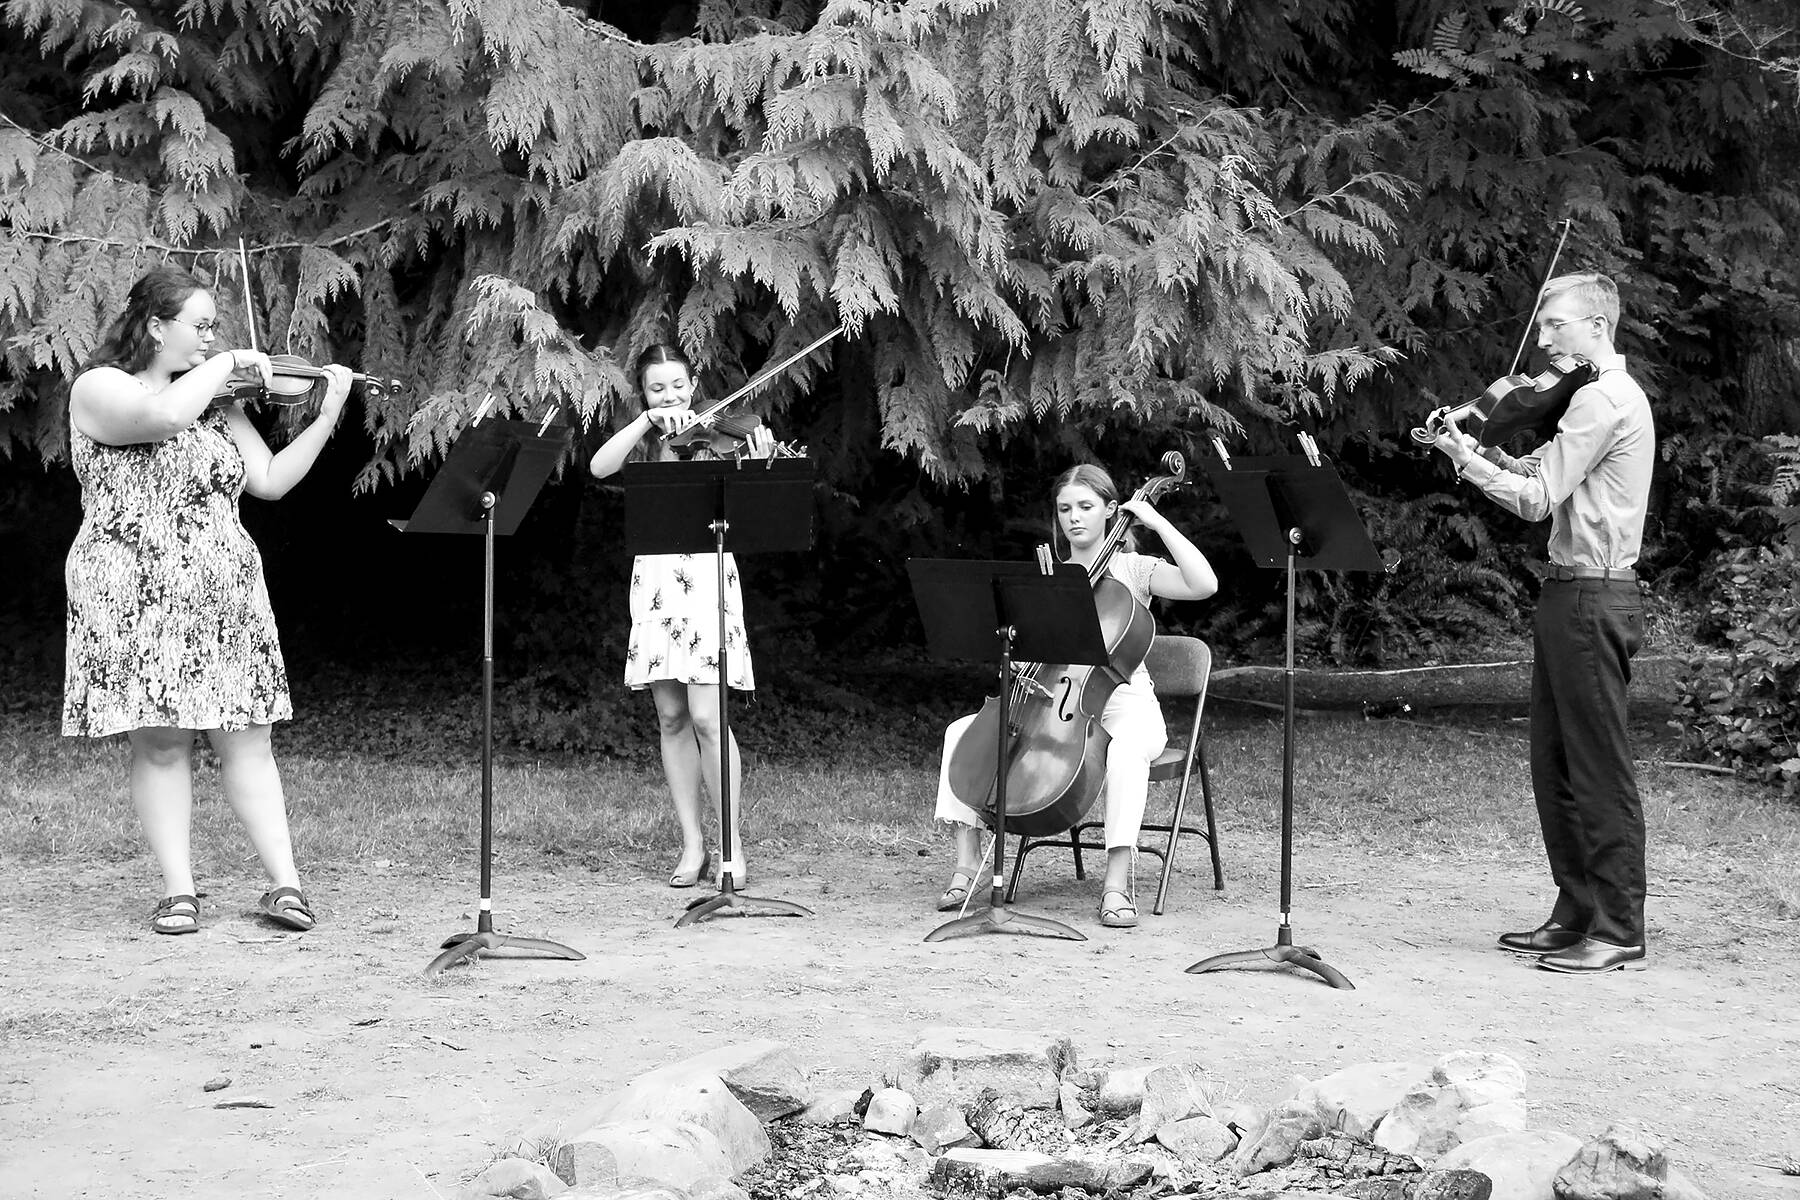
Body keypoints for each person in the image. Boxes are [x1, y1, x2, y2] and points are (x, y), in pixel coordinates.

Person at [63, 265, 353, 935]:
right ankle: (179, 891)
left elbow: (272, 482)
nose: (209, 338)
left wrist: (327, 413)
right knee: (162, 744)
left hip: (223, 587)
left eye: (213, 328)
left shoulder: (218, 403)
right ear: (154, 326)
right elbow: (161, 415)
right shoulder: (101, 389)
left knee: (248, 739)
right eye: (198, 326)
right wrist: (224, 365)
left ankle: (285, 886)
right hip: (134, 588)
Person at [1430, 271, 1654, 974]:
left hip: (1593, 597)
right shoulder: (1586, 398)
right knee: (1554, 763)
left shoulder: (1602, 399)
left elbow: (1534, 499)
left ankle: (1619, 928)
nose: (1543, 338)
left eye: (1556, 325)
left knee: (1597, 768)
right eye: (1545, 326)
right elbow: (1536, 469)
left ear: (1597, 326)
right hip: (1570, 594)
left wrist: (1468, 462)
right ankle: (1577, 909)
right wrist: (1471, 453)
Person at [932, 464, 1219, 928]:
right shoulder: (1050, 573)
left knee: (1126, 753)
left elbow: (1204, 584)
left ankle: (1117, 883)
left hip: (1126, 706)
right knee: (961, 730)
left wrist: (1157, 521)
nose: (1074, 518)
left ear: (1110, 510)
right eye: (1065, 508)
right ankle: (968, 864)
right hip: (1057, 701)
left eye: (1086, 507)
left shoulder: (1135, 570)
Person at [589, 343, 777, 891]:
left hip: (708, 582)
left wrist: (761, 460)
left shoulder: (719, 437)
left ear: (692, 386)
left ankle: (731, 847)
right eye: (656, 388)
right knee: (671, 716)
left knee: (707, 718)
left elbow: (759, 508)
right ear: (644, 394)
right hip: (656, 587)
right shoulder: (645, 442)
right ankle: (692, 845)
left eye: (677, 385)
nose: (669, 395)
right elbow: (600, 467)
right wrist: (646, 421)